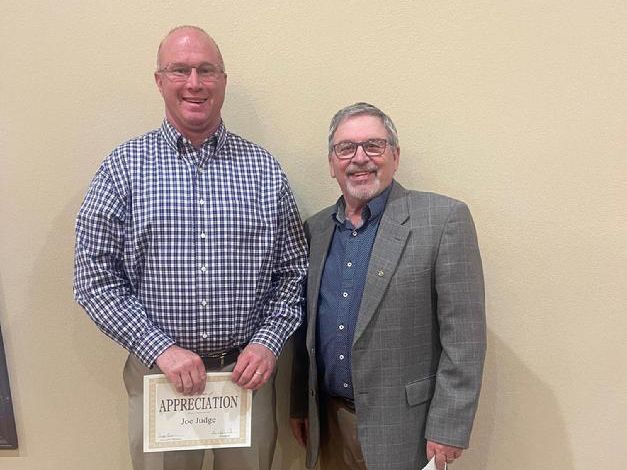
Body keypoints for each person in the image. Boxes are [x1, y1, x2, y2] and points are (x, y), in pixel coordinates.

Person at [74, 25, 307, 470]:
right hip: (158, 375)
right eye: (179, 70)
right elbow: (95, 280)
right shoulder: (122, 169)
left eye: (206, 70)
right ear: (159, 80)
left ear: (223, 80)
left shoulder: (263, 171)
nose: (194, 83)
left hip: (246, 377)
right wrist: (159, 347)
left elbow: (293, 270)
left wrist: (268, 343)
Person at [290, 102, 486, 470]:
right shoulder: (315, 230)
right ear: (332, 163)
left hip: (406, 429)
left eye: (373, 146)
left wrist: (449, 426)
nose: (359, 158)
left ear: (395, 156)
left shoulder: (443, 220)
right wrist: (301, 404)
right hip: (329, 423)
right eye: (346, 148)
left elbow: (465, 340)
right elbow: (307, 328)